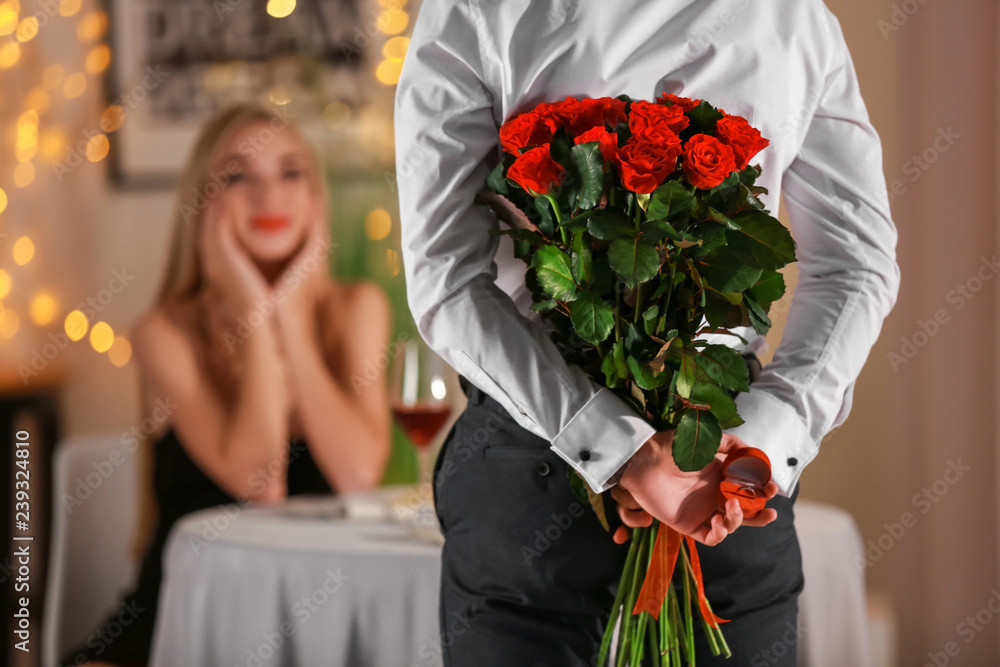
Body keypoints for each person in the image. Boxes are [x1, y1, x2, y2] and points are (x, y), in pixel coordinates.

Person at [394, 1, 900, 665]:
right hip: (676, 479)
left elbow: (449, 280)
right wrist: (756, 441)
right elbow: (854, 266)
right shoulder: (793, 14)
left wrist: (725, 447)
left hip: (609, 479)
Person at [59, 102, 393, 667]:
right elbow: (261, 484)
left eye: (291, 172)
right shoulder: (166, 331)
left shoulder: (357, 308)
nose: (270, 196)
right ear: (203, 201)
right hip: (177, 619)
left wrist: (291, 316)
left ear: (316, 197)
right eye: (239, 175)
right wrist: (258, 315)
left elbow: (358, 474)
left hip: (311, 626)